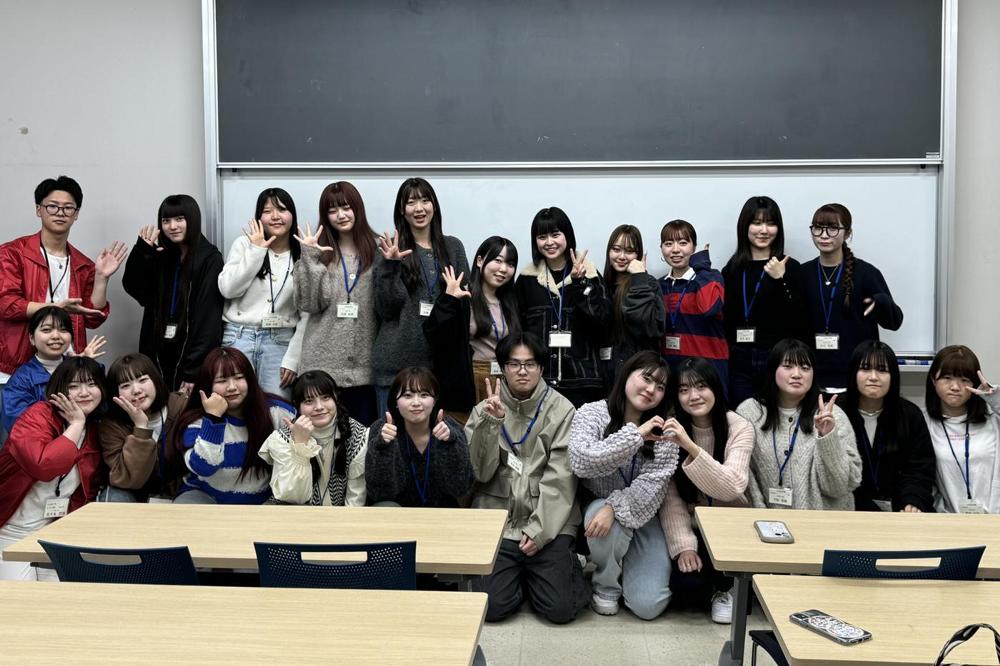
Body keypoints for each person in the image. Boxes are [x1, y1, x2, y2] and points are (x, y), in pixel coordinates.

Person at [466, 332, 589, 624]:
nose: (522, 371)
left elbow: (561, 479)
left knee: (561, 609)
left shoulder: (562, 410)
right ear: (503, 368)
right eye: (514, 364)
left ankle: (566, 564)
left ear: (541, 368)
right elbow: (479, 472)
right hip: (499, 519)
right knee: (492, 608)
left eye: (530, 364)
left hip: (549, 522)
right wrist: (491, 423)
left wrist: (539, 530)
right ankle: (523, 577)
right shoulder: (484, 409)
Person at [0, 176, 124, 441]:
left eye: (68, 208)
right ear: (39, 209)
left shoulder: (81, 263)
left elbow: (93, 317)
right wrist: (55, 307)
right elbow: (6, 304)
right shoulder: (13, 253)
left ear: (76, 214)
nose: (60, 212)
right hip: (15, 367)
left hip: (64, 370)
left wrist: (101, 278)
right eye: (52, 206)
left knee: (64, 442)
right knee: (17, 444)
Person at [568, 351, 678, 620]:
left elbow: (652, 486)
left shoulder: (665, 429)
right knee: (606, 519)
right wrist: (636, 435)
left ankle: (627, 565)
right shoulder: (592, 413)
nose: (651, 389)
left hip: (643, 514)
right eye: (646, 378)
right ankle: (605, 584)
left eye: (660, 386)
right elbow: (582, 461)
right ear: (627, 374)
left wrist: (614, 506)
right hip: (598, 510)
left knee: (648, 606)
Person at [659, 358, 753, 624]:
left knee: (727, 581)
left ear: (715, 387)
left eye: (701, 386)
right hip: (692, 524)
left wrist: (690, 446)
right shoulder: (671, 427)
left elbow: (732, 486)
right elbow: (671, 497)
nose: (694, 396)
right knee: (687, 586)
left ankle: (724, 590)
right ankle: (711, 586)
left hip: (731, 526)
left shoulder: (739, 426)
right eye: (684, 389)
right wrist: (684, 547)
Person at [0, 357, 106, 580]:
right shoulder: (37, 416)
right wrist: (76, 424)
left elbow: (85, 492)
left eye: (91, 384)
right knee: (21, 597)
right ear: (59, 390)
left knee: (58, 595)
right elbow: (44, 467)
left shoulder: (94, 430)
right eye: (74, 386)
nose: (84, 392)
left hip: (54, 533)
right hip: (11, 529)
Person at [372, 178, 469, 415]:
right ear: (401, 210)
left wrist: (451, 299)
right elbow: (386, 309)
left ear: (434, 205)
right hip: (396, 365)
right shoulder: (390, 248)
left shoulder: (453, 247)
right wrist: (390, 265)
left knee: (434, 436)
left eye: (425, 200)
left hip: (440, 367)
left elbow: (463, 301)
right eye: (411, 202)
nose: (419, 208)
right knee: (390, 434)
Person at [737, 339, 862, 510]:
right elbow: (746, 475)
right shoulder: (750, 412)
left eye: (805, 368)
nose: (797, 374)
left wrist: (828, 437)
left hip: (824, 522)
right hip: (768, 522)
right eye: (788, 366)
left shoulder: (831, 415)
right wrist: (763, 517)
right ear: (773, 370)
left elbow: (839, 487)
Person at [293, 181, 379, 425]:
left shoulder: (379, 250)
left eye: (346, 207)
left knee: (361, 439)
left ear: (357, 208)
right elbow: (309, 304)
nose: (340, 215)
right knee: (319, 439)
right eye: (332, 210)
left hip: (365, 368)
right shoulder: (317, 253)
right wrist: (310, 258)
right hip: (321, 369)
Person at [122, 194, 224, 392]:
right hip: (158, 349)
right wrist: (142, 252)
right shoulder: (162, 255)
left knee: (184, 408)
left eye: (179, 219)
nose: (172, 226)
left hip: (189, 353)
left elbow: (208, 320)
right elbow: (137, 290)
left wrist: (194, 371)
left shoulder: (210, 258)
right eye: (166, 220)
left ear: (192, 220)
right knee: (157, 403)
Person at [170, 347, 293, 504]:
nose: (232, 387)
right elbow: (204, 467)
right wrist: (213, 419)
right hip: (206, 496)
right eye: (222, 381)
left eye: (239, 377)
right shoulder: (197, 420)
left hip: (264, 501)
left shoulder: (277, 412)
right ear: (208, 385)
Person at [514, 206, 610, 407]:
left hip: (582, 382)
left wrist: (580, 284)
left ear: (567, 236)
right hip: (539, 382)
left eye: (555, 234)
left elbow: (603, 322)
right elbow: (517, 330)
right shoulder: (526, 280)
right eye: (542, 237)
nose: (549, 242)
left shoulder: (590, 275)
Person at [801, 203, 903, 391]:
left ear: (847, 233)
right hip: (811, 380)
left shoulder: (866, 273)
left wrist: (881, 302)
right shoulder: (802, 273)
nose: (824, 235)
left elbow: (894, 322)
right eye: (818, 228)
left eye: (833, 228)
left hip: (856, 379)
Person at [218, 188, 306, 399]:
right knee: (235, 404)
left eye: (282, 210)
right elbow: (228, 289)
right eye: (267, 211)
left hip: (281, 340)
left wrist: (293, 359)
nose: (275, 216)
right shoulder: (244, 244)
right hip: (238, 336)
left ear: (292, 214)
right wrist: (256, 251)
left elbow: (308, 314)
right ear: (259, 217)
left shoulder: (303, 253)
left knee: (278, 408)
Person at [721, 196, 808, 404]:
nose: (764, 230)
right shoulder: (732, 269)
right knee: (743, 417)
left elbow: (800, 318)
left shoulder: (790, 267)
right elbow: (726, 319)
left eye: (770, 223)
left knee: (776, 416)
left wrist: (781, 279)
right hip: (739, 359)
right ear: (745, 226)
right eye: (757, 223)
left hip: (778, 359)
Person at [423, 236, 520, 421]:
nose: (503, 269)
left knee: (498, 436)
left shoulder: (511, 302)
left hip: (504, 381)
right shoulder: (462, 296)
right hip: (469, 381)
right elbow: (433, 334)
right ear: (480, 261)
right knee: (467, 436)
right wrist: (448, 299)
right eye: (497, 260)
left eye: (510, 264)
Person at [843, 341, 935, 513]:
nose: (873, 377)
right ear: (853, 373)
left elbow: (920, 469)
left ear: (893, 376)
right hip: (848, 510)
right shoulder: (838, 413)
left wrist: (913, 501)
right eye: (865, 369)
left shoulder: (910, 415)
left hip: (901, 512)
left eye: (882, 370)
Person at [259, 370, 368, 506]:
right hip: (291, 511)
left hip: (341, 514)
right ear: (297, 406)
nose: (319, 407)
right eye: (309, 401)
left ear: (336, 398)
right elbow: (292, 497)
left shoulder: (357, 433)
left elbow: (355, 499)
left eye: (326, 398)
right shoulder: (282, 438)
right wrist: (300, 447)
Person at [365, 367, 471, 507]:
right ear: (395, 401)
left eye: (424, 395)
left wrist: (450, 444)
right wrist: (383, 446)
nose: (416, 402)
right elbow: (380, 494)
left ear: (435, 400)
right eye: (407, 395)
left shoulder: (451, 429)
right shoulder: (382, 429)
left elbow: (460, 488)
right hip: (398, 513)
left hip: (441, 512)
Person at [98, 353, 188, 502]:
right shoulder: (112, 425)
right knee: (115, 497)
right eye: (125, 386)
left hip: (179, 489)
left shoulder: (180, 407)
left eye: (143, 380)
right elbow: (127, 479)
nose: (136, 390)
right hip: (134, 491)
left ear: (155, 380)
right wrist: (141, 428)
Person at [2, 305, 105, 433]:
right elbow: (21, 428)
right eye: (46, 330)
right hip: (45, 442)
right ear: (32, 338)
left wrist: (85, 367)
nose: (56, 336)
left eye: (63, 330)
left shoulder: (83, 367)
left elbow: (103, 413)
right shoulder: (20, 381)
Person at [923, 345, 1000, 514]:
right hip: (949, 521)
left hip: (995, 519)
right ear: (933, 380)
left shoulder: (993, 421)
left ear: (974, 384)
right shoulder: (923, 423)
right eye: (947, 378)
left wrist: (996, 400)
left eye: (965, 380)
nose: (955, 387)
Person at [658, 219, 727, 390]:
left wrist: (701, 267)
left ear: (694, 247)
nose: (675, 250)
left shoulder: (710, 277)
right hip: (672, 373)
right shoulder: (659, 285)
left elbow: (709, 308)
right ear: (661, 248)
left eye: (683, 243)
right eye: (668, 244)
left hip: (708, 372)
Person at [601, 225, 665, 388]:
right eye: (616, 249)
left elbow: (650, 328)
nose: (622, 256)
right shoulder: (603, 285)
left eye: (629, 251)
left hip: (638, 374)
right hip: (606, 375)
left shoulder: (648, 283)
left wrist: (638, 278)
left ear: (638, 254)